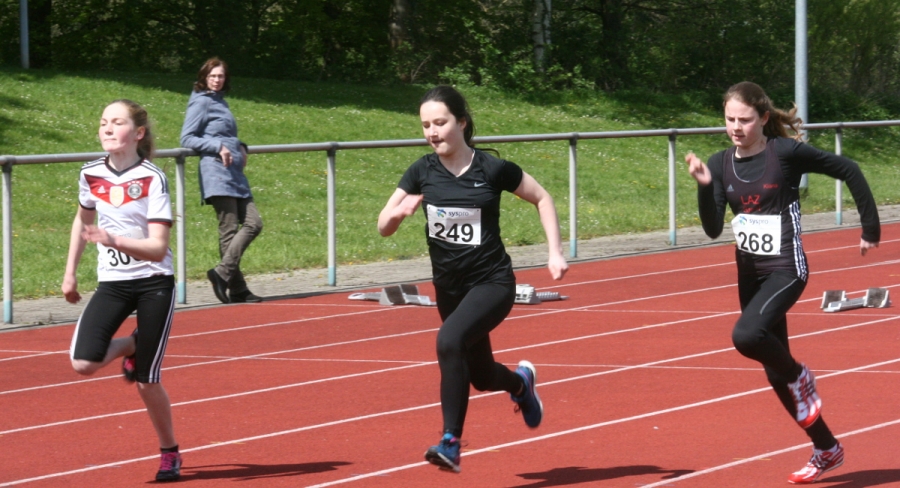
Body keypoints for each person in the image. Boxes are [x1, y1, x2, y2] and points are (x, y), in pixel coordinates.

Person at [685, 81, 880, 485]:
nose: (736, 127)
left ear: (764, 118)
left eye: (744, 120)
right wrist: (705, 186)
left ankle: (800, 376)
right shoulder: (720, 162)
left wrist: (870, 227)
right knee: (773, 368)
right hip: (749, 273)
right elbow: (711, 229)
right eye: (729, 119)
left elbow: (850, 169)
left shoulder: (784, 154)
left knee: (746, 336)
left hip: (786, 268)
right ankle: (826, 447)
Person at [378, 85, 569, 473]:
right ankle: (520, 384)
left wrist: (555, 251)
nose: (432, 132)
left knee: (449, 341)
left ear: (461, 123)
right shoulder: (420, 171)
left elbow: (542, 197)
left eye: (440, 122)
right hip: (450, 288)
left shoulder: (491, 169)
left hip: (492, 283)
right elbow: (383, 225)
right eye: (426, 125)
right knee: (480, 376)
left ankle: (450, 441)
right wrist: (401, 213)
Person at [64, 100, 182, 482]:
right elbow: (82, 221)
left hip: (153, 283)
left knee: (147, 380)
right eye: (103, 123)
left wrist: (113, 238)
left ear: (139, 133)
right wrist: (70, 274)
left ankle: (169, 452)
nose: (108, 129)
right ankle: (130, 346)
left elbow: (157, 247)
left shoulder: (152, 178)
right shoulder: (90, 173)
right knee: (83, 363)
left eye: (117, 123)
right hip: (113, 283)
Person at [180, 57, 263, 304]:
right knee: (229, 230)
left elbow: (225, 133)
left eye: (221, 76)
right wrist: (217, 146)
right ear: (204, 77)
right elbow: (187, 138)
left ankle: (225, 277)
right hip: (216, 171)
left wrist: (240, 145)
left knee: (253, 222)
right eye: (213, 76)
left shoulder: (220, 102)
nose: (217, 80)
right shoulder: (201, 103)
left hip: (234, 172)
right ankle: (235, 285)